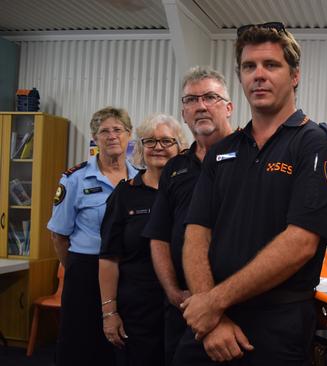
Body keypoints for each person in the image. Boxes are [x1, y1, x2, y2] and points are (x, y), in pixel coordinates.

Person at [175, 22, 327, 365]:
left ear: (294, 75)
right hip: (211, 322)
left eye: (271, 65)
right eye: (249, 67)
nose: (259, 75)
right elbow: (196, 234)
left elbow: (300, 243)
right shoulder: (223, 150)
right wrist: (213, 317)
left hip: (276, 324)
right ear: (240, 76)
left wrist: (212, 303)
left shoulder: (315, 144)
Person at [141, 66, 234, 365]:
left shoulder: (250, 157)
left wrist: (217, 302)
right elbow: (159, 235)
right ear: (184, 113)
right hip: (182, 308)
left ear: (229, 107)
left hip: (233, 307)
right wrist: (172, 292)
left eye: (210, 97)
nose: (201, 105)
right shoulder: (175, 168)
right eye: (192, 100)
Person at [47, 106, 139, 366]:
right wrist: (76, 270)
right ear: (95, 138)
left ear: (128, 135)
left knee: (122, 343)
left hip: (127, 272)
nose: (112, 136)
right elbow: (59, 236)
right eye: (104, 131)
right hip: (85, 271)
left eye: (118, 130)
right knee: (80, 344)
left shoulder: (140, 179)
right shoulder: (75, 179)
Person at [98, 114, 187, 365]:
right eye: (150, 141)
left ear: (181, 148)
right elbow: (108, 257)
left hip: (183, 309)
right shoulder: (124, 194)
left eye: (167, 141)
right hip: (136, 312)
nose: (158, 147)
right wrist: (109, 312)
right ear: (140, 148)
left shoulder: (193, 192)